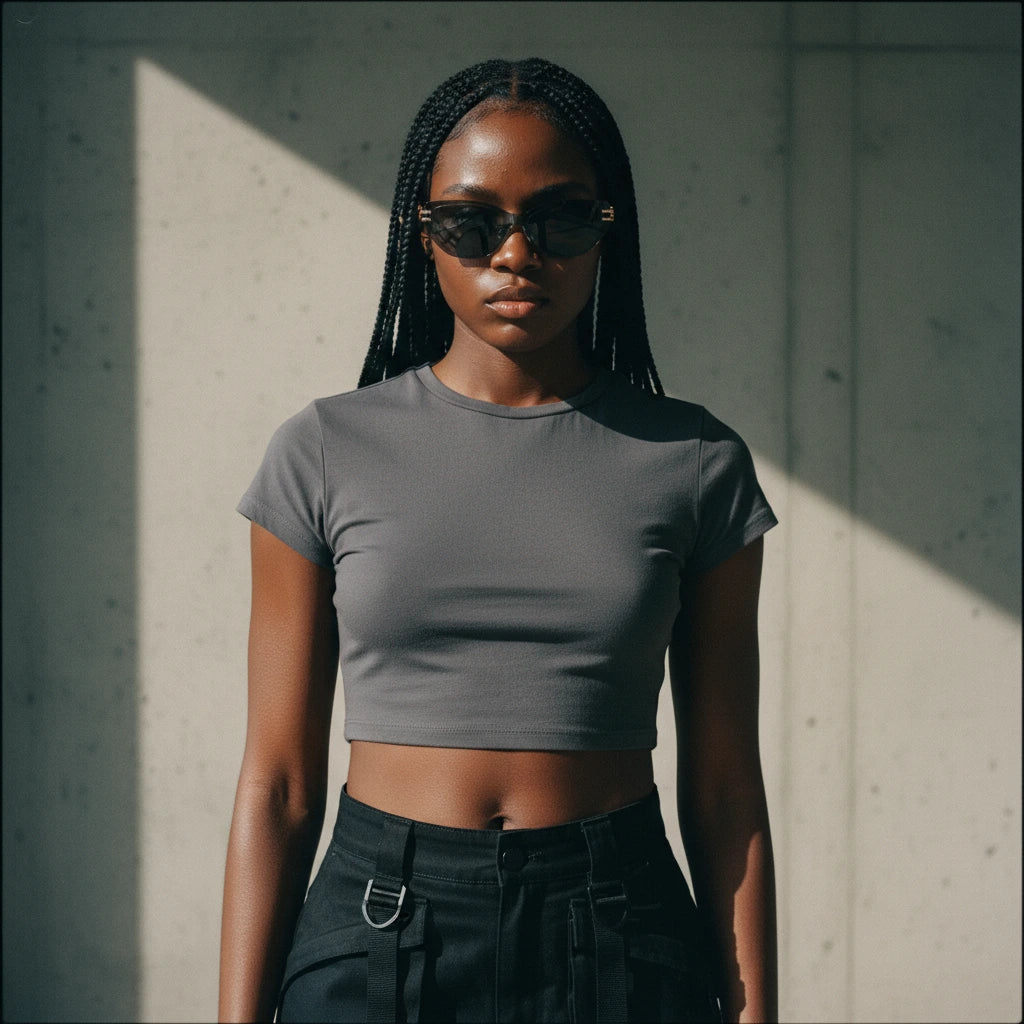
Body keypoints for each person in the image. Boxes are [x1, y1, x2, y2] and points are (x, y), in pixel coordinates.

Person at [219, 57, 778, 1024]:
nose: (517, 255)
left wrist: (761, 1010)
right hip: (376, 919)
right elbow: (277, 785)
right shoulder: (324, 450)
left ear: (610, 235)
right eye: (472, 224)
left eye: (560, 219)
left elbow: (726, 787)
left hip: (620, 921)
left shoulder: (695, 461)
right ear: (421, 237)